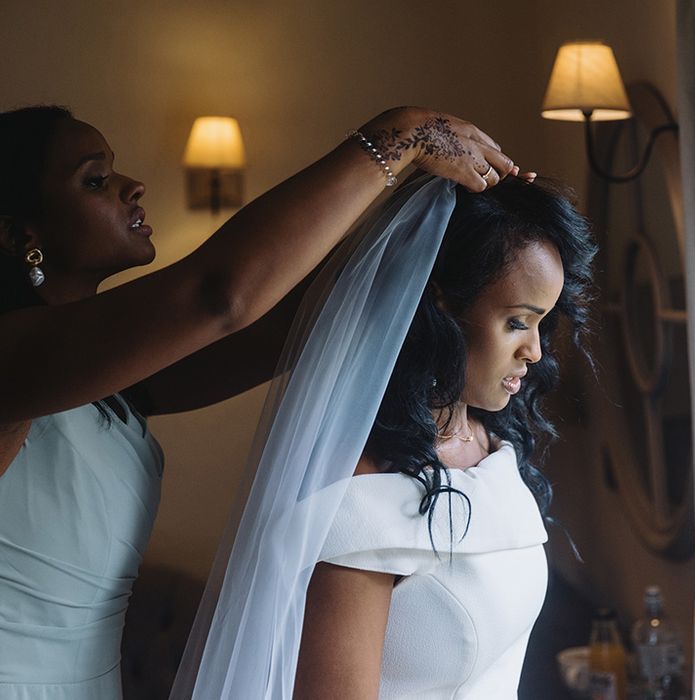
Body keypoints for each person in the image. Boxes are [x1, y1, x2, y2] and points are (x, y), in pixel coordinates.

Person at [0, 104, 520, 699]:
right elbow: (219, 296)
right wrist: (396, 137)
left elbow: (298, 318)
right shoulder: (11, 368)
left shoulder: (110, 381)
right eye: (94, 180)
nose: (131, 186)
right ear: (21, 236)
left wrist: (434, 213)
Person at [171, 174, 596, 699]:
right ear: (440, 305)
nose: (534, 350)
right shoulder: (361, 495)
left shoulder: (491, 446)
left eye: (543, 323)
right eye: (516, 323)